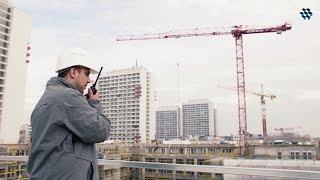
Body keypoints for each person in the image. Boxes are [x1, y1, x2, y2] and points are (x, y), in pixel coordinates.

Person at [27, 48, 111, 180]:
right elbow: (101, 131)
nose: (89, 80)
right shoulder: (68, 97)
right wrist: (95, 104)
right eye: (87, 74)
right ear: (73, 72)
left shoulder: (46, 99)